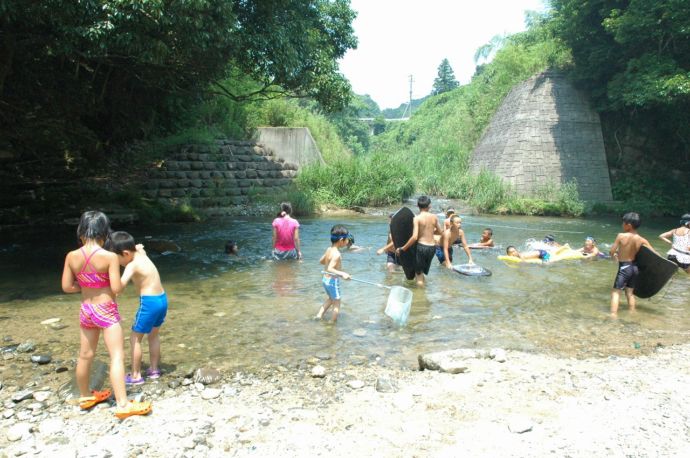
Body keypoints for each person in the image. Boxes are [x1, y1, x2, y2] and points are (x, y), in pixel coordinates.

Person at [61, 211, 151, 419]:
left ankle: (84, 396)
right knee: (117, 356)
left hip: (87, 310)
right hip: (106, 311)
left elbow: (66, 286)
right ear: (104, 232)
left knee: (85, 354)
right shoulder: (109, 257)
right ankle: (122, 404)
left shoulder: (71, 256)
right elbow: (116, 288)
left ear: (81, 231)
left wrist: (86, 285)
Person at [107, 231, 168, 386]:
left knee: (135, 338)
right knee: (153, 335)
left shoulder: (131, 266)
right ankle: (154, 370)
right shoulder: (141, 254)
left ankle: (135, 375)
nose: (117, 263)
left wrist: (112, 276)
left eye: (117, 259)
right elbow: (140, 248)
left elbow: (118, 288)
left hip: (149, 303)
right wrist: (138, 248)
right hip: (162, 299)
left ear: (126, 253)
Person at [609, 212, 653, 317]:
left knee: (616, 292)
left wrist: (614, 255)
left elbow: (611, 251)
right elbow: (654, 254)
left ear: (628, 225)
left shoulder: (621, 236)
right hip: (634, 268)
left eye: (623, 223)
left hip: (624, 267)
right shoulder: (642, 239)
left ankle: (613, 314)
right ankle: (632, 312)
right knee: (629, 293)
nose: (622, 225)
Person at [397, 196, 443, 287]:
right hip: (432, 248)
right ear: (429, 206)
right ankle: (423, 290)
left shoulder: (417, 218)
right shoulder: (434, 217)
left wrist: (403, 249)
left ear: (417, 205)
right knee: (421, 273)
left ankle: (420, 298)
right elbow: (440, 231)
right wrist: (429, 232)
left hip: (421, 247)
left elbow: (414, 237)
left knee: (418, 274)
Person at [315, 225, 351, 322]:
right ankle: (332, 323)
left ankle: (319, 315)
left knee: (331, 299)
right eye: (347, 239)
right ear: (341, 240)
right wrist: (343, 274)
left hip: (325, 280)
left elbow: (321, 261)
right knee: (337, 302)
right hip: (332, 281)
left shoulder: (329, 249)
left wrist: (328, 260)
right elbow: (330, 268)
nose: (348, 241)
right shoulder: (337, 254)